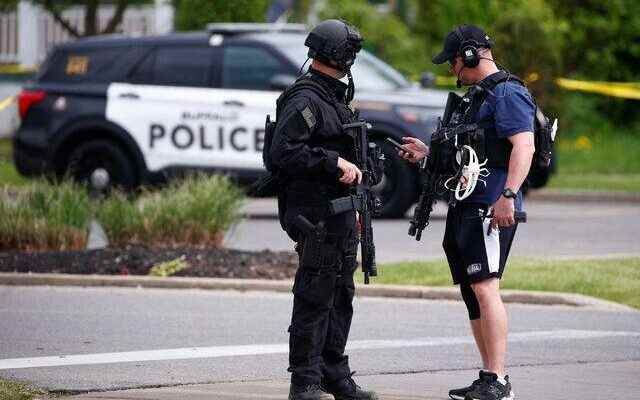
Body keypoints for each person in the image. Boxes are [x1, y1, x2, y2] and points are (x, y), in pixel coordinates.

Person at [399, 24, 535, 400]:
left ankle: (499, 379)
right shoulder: (479, 97)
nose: (451, 70)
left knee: (485, 286)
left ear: (471, 55)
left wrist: (508, 194)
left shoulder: (508, 93)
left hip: (490, 207)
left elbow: (523, 145)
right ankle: (488, 376)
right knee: (472, 292)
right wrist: (427, 156)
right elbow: (470, 156)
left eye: (453, 62)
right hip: (466, 204)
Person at [269, 19, 378, 400]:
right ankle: (304, 382)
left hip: (342, 212)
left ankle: (334, 372)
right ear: (338, 54)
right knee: (315, 296)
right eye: (350, 52)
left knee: (341, 295)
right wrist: (332, 163)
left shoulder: (333, 97)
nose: (353, 59)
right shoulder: (306, 99)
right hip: (315, 213)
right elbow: (282, 153)